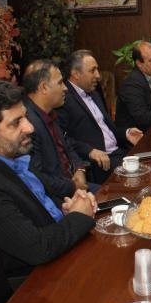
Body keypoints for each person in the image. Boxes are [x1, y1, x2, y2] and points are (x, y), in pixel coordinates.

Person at [0, 79, 97, 280]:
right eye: (16, 122)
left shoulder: (12, 156)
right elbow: (38, 248)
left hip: (60, 252)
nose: (29, 127)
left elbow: (35, 206)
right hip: (36, 281)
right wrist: (78, 216)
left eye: (26, 117)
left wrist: (66, 209)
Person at [57, 50, 143, 183]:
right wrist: (89, 151)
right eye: (92, 71)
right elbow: (61, 138)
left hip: (120, 151)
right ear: (76, 74)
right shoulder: (63, 98)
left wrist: (126, 133)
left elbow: (106, 128)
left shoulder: (94, 92)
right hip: (101, 163)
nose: (98, 75)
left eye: (97, 69)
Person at [22, 59, 100, 199]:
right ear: (44, 87)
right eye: (60, 83)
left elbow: (67, 146)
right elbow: (38, 179)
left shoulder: (49, 112)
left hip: (74, 186)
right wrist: (73, 186)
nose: (65, 88)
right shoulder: (27, 125)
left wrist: (80, 169)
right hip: (57, 199)